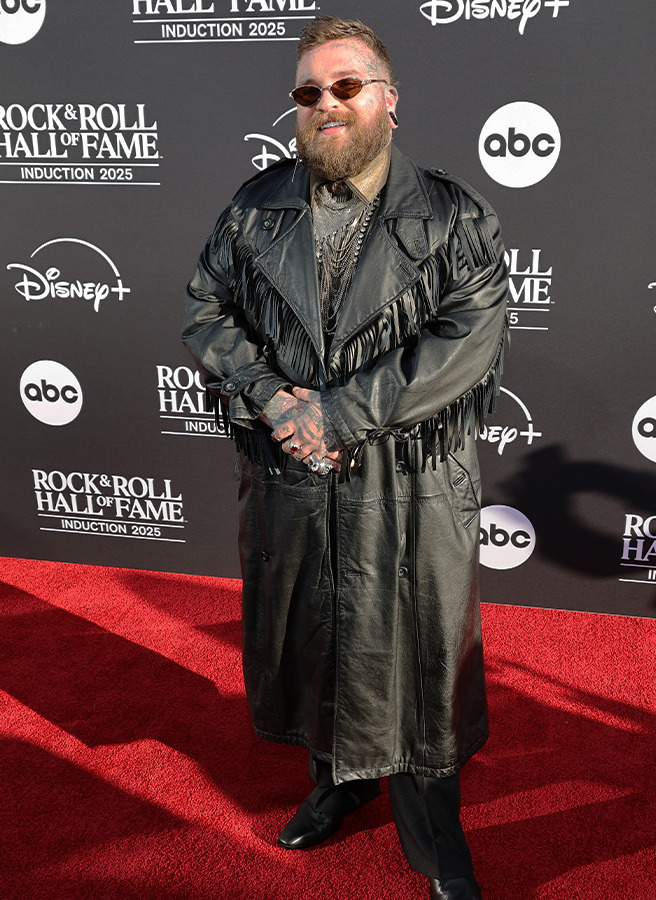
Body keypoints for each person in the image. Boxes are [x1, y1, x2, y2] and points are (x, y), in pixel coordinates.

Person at [182, 16, 508, 900]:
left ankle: (433, 829)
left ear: (388, 102)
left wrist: (335, 414)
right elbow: (208, 313)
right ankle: (337, 782)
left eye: (347, 86)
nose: (327, 103)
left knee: (419, 656)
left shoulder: (453, 215)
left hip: (410, 481)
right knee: (315, 633)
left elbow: (466, 343)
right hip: (294, 474)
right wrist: (273, 398)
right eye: (309, 91)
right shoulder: (256, 206)